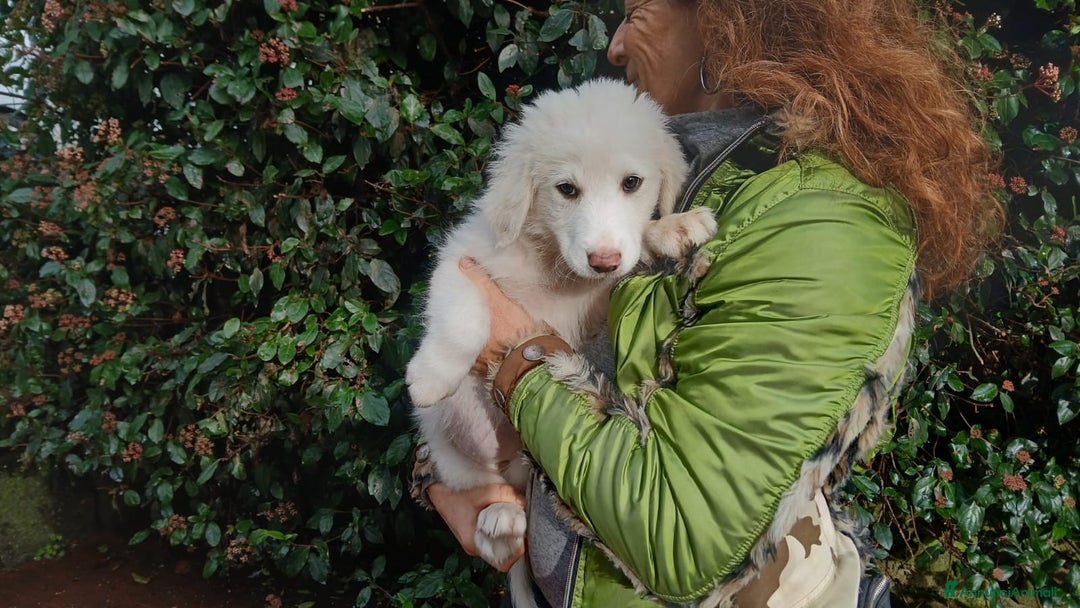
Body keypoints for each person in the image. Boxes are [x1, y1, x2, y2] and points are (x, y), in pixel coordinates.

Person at [413, 0, 1001, 606]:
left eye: (637, 11)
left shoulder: (824, 220)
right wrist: (446, 476)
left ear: (724, 18)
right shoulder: (693, 168)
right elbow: (488, 314)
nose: (614, 47)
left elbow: (684, 537)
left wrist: (517, 359)